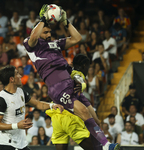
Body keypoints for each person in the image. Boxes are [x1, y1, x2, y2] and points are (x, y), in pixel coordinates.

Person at [24, 5, 119, 150]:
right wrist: (43, 19)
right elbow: (34, 36)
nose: (49, 34)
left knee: (94, 117)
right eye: (45, 32)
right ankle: (106, 145)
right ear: (39, 30)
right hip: (57, 86)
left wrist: (65, 21)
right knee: (84, 112)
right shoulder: (32, 45)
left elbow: (77, 38)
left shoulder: (54, 44)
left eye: (50, 31)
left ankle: (103, 145)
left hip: (69, 82)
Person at [0, 65, 63, 150]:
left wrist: (52, 105)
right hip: (7, 144)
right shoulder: (1, 99)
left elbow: (37, 104)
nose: (20, 76)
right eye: (17, 74)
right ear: (11, 79)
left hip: (21, 144)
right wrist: (17, 125)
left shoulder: (21, 91)